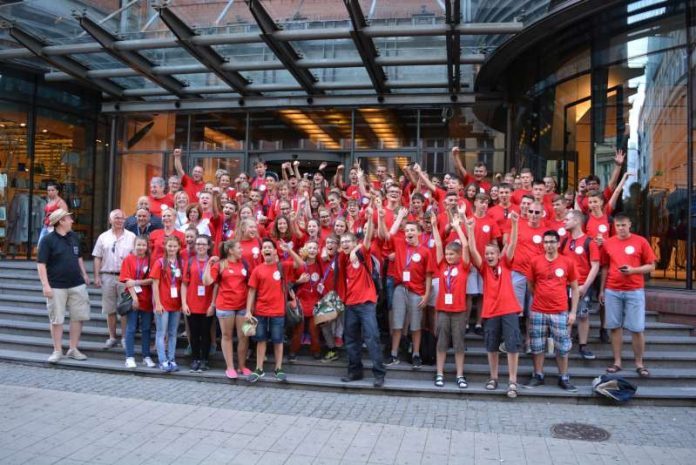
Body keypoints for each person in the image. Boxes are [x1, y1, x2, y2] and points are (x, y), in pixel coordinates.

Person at [466, 211, 522, 398]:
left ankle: (512, 380)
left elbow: (512, 244)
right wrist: (470, 229)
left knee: (512, 346)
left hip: (509, 310)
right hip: (490, 312)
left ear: (499, 254)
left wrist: (514, 224)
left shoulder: (506, 263)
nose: (489, 256)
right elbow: (473, 249)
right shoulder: (483, 269)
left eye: (492, 253)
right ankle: (493, 377)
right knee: (491, 346)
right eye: (487, 253)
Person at [600, 214, 656, 377]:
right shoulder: (608, 243)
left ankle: (639, 363)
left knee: (637, 328)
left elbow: (651, 266)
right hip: (612, 290)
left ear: (630, 224)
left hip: (634, 290)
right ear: (614, 227)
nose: (621, 228)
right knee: (615, 327)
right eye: (618, 226)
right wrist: (602, 289)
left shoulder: (641, 241)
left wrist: (633, 270)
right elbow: (604, 267)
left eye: (624, 225)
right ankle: (617, 362)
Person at [524, 230, 580, 391]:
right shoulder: (535, 261)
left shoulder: (567, 262)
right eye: (546, 242)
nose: (549, 245)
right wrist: (541, 296)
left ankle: (563, 377)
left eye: (552, 242)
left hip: (560, 310)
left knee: (562, 346)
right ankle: (538, 375)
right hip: (538, 310)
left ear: (557, 243)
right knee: (537, 345)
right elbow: (531, 285)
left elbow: (575, 289)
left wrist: (573, 312)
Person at [379, 208, 433, 369]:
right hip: (400, 288)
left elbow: (429, 275)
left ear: (418, 233)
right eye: (407, 230)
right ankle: (394, 353)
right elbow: (389, 234)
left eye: (412, 230)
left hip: (417, 291)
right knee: (397, 323)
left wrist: (427, 295)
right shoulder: (400, 243)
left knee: (416, 325)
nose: (409, 232)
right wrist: (401, 217)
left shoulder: (425, 251)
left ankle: (416, 354)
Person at [339, 206, 386, 387]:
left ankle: (379, 374)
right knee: (350, 340)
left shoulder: (361, 252)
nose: (344, 244)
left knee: (372, 337)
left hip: (366, 303)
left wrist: (371, 219)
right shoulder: (343, 258)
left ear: (354, 243)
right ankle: (355, 372)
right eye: (341, 242)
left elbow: (366, 240)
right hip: (350, 303)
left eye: (347, 242)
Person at [36, 209, 91, 363]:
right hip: (56, 286)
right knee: (56, 319)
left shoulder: (73, 236)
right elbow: (41, 265)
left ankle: (73, 349)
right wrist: (45, 286)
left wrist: (85, 274)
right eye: (69, 218)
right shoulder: (47, 240)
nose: (72, 221)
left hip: (77, 284)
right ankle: (57, 350)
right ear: (61, 221)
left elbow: (78, 256)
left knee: (78, 317)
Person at [430, 214, 470, 388]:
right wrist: (433, 225)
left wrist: (457, 227)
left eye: (452, 254)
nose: (448, 256)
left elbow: (466, 244)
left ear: (459, 255)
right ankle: (440, 373)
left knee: (459, 343)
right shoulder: (441, 265)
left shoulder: (464, 266)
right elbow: (438, 244)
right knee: (441, 342)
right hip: (443, 310)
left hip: (459, 310)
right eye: (447, 253)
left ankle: (460, 375)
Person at [245, 238, 293, 383]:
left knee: (278, 341)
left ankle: (278, 368)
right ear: (261, 252)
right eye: (264, 247)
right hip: (260, 311)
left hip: (278, 311)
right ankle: (259, 369)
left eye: (269, 247)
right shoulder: (257, 270)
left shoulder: (282, 267)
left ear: (274, 251)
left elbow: (299, 264)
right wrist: (248, 311)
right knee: (261, 340)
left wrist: (288, 250)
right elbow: (251, 291)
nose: (266, 249)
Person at [204, 240, 252, 379]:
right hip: (225, 306)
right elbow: (207, 282)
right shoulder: (220, 264)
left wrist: (250, 307)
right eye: (239, 248)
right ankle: (230, 367)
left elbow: (250, 286)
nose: (242, 250)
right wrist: (209, 264)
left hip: (243, 306)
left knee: (244, 336)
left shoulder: (244, 263)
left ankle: (242, 366)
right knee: (227, 336)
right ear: (230, 250)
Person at [92, 209, 136, 349]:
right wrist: (97, 276)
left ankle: (124, 338)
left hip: (125, 277)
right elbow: (97, 257)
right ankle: (112, 337)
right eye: (116, 218)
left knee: (124, 309)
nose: (119, 220)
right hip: (108, 276)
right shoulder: (103, 237)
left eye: (122, 218)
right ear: (110, 220)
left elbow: (136, 257)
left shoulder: (131, 236)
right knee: (109, 309)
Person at [562, 209, 601, 360]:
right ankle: (565, 342)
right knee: (566, 314)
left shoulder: (589, 242)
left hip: (582, 284)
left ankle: (583, 345)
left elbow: (595, 266)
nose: (564, 221)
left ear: (577, 221)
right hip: (565, 284)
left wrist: (586, 286)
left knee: (583, 315)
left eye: (567, 219)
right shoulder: (565, 240)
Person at [119, 235, 156, 369]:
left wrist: (137, 282)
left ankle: (146, 356)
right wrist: (135, 298)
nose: (141, 247)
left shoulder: (151, 260)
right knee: (131, 328)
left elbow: (153, 279)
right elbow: (127, 280)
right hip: (133, 298)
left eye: (143, 245)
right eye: (138, 245)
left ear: (147, 247)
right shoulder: (128, 259)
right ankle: (129, 357)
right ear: (134, 245)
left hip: (147, 299)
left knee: (146, 329)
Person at [182, 235, 215, 372]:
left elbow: (216, 286)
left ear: (208, 246)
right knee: (194, 334)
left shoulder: (213, 263)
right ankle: (195, 359)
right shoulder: (190, 262)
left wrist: (213, 304)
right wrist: (184, 303)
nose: (200, 246)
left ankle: (205, 360)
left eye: (203, 244)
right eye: (198, 244)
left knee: (206, 333)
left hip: (207, 304)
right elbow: (184, 284)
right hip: (192, 303)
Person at [151, 235, 184, 372]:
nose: (172, 248)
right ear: (165, 246)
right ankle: (163, 360)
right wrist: (157, 303)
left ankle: (171, 359)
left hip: (175, 304)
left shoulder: (181, 263)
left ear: (178, 248)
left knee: (173, 333)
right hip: (163, 303)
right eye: (169, 246)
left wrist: (183, 302)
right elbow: (155, 283)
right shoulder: (160, 262)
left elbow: (183, 284)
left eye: (174, 246)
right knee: (161, 333)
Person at [38, 183, 69, 247]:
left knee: (52, 247)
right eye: (48, 190)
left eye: (52, 190)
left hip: (55, 228)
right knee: (41, 247)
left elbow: (65, 217)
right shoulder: (49, 201)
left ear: (57, 191)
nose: (50, 192)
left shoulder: (61, 202)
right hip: (46, 226)